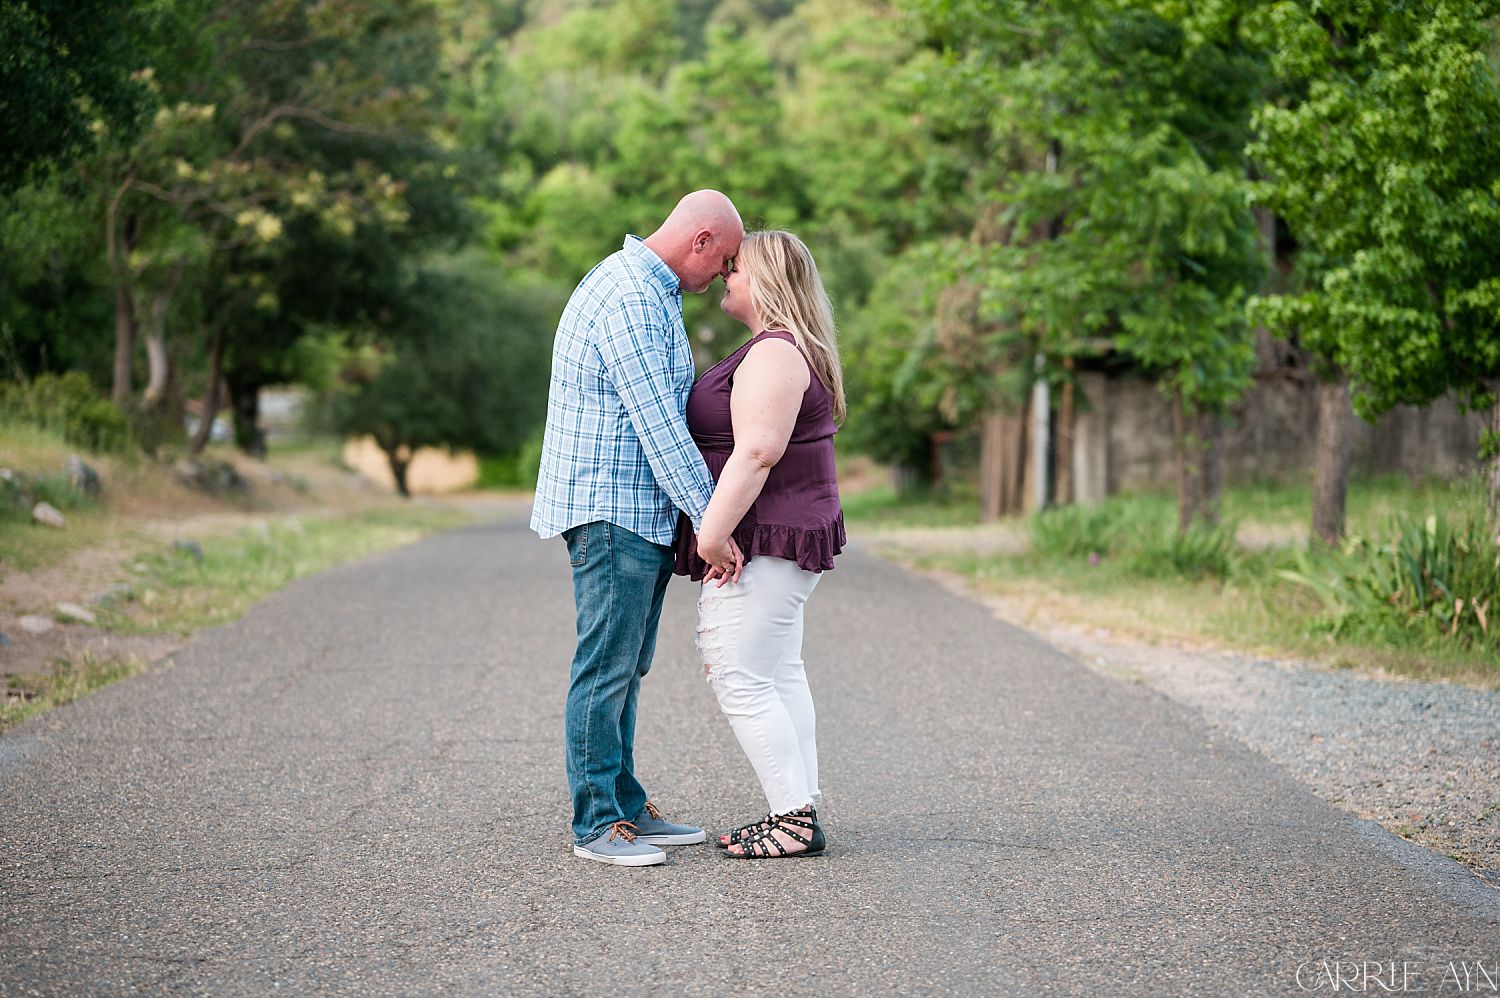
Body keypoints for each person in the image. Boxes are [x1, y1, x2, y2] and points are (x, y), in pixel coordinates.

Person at [532, 191, 746, 867]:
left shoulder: (651, 292)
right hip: (611, 511)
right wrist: (714, 522)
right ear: (702, 240)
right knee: (605, 667)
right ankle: (595, 824)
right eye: (726, 261)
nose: (723, 278)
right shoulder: (629, 296)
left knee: (628, 666)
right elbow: (660, 426)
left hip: (636, 512)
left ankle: (624, 805)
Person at [674, 229, 846, 859]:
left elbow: (758, 451)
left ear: (767, 279)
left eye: (736, 268)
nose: (726, 273)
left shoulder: (775, 352)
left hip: (766, 535)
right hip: (781, 534)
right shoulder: (784, 347)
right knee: (777, 671)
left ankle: (792, 820)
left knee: (740, 676)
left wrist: (712, 534)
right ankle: (796, 807)